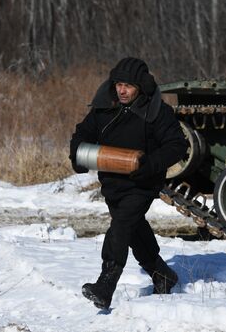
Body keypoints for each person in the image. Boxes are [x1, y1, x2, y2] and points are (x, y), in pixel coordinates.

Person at [69, 57, 188, 309]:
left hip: (142, 183)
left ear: (141, 87)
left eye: (129, 86)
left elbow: (177, 145)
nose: (122, 90)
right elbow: (82, 134)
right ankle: (162, 275)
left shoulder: (157, 112)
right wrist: (77, 154)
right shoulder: (104, 108)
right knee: (134, 230)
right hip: (112, 182)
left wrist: (151, 165)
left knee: (121, 226)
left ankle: (106, 283)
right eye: (119, 84)